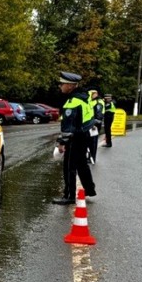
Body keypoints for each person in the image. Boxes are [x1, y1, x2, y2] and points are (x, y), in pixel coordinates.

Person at [52, 71, 96, 205]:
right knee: (82, 164)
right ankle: (90, 189)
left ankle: (69, 195)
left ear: (71, 86)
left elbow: (67, 128)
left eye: (63, 84)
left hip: (75, 137)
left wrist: (61, 143)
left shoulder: (73, 102)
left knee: (69, 166)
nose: (60, 86)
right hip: (85, 134)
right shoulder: (84, 96)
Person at [87, 88, 105, 164]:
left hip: (95, 125)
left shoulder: (98, 102)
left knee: (93, 142)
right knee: (89, 142)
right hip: (90, 124)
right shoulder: (92, 101)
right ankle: (89, 157)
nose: (91, 95)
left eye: (93, 93)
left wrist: (94, 124)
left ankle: (92, 158)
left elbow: (99, 115)